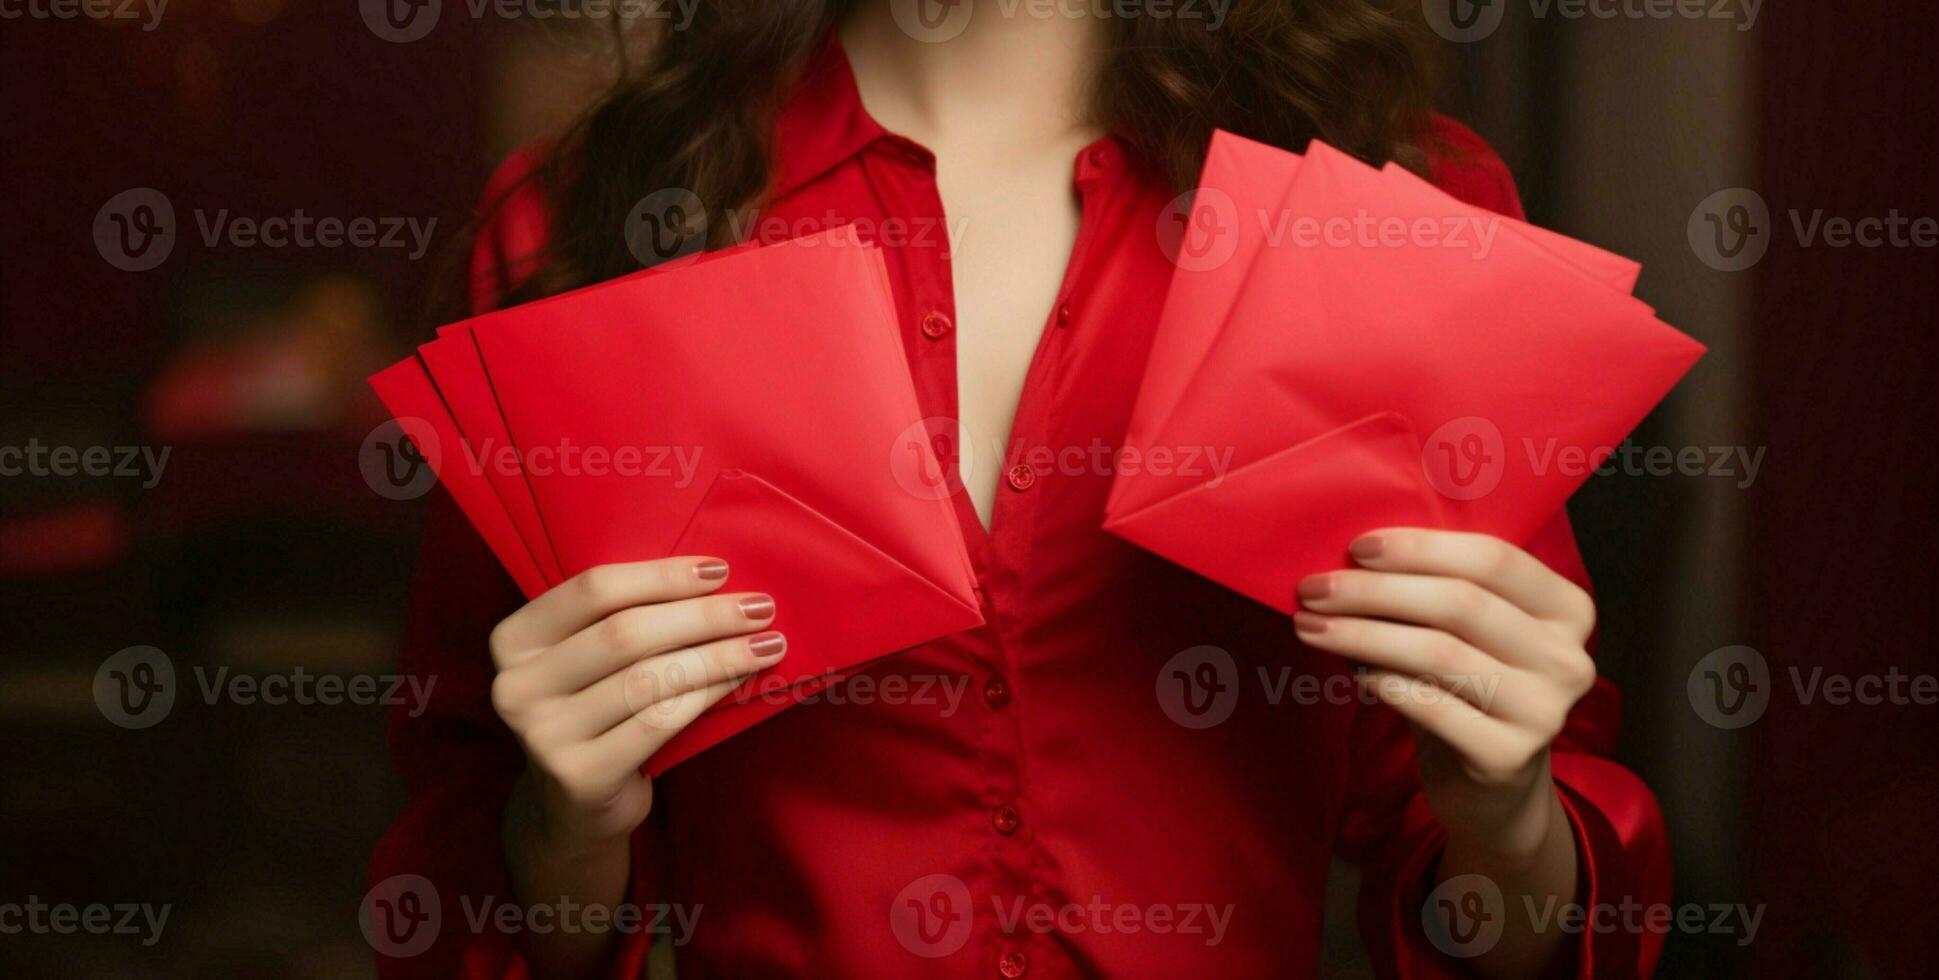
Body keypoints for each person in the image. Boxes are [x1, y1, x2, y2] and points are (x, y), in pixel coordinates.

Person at [372, 2, 1670, 976]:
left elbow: (1496, 911)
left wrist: (1505, 817)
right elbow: (459, 875)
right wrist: (564, 828)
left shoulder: (1390, 216)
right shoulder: (585, 235)